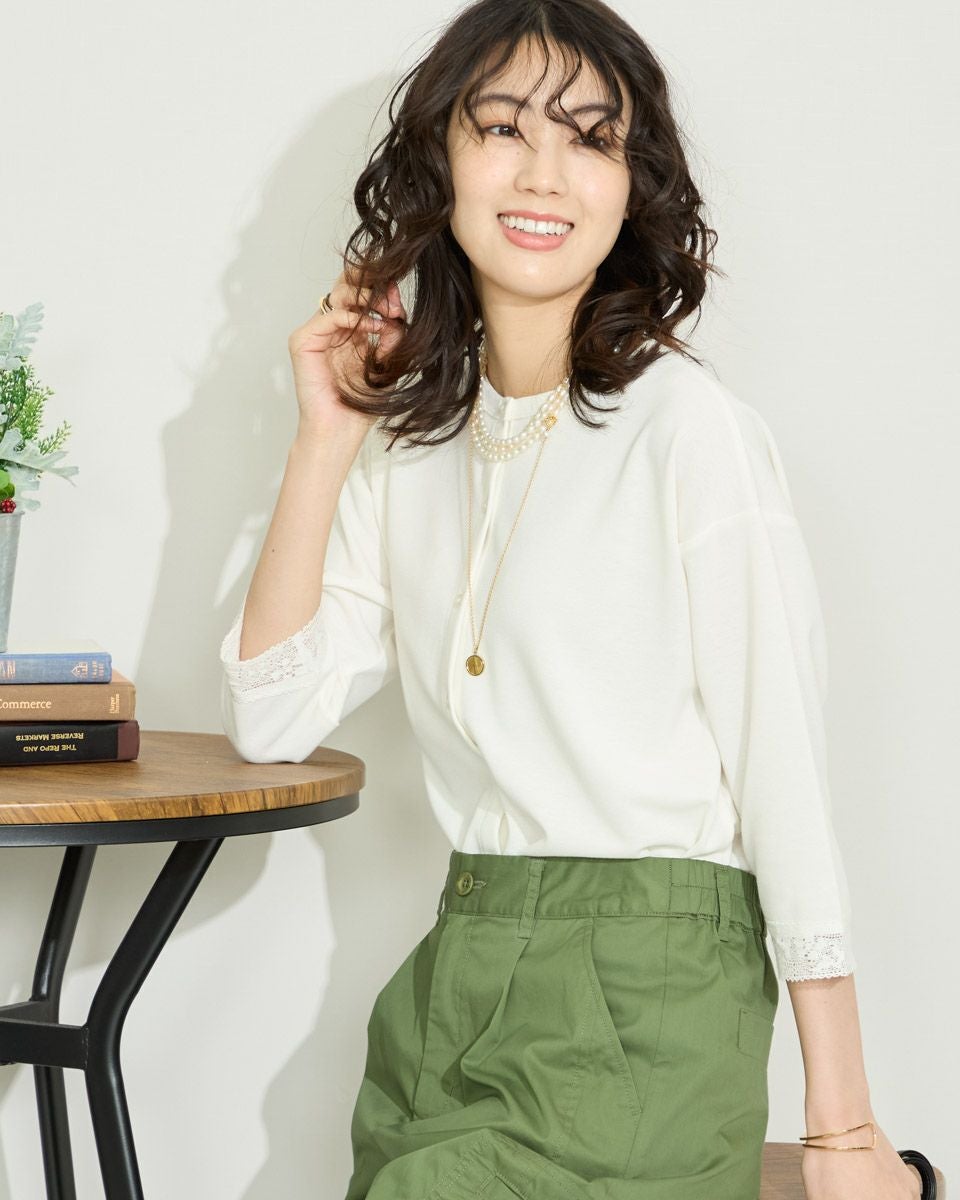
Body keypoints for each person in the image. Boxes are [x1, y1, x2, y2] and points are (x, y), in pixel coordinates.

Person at [219, 2, 923, 1197]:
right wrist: (326, 437)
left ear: (631, 187)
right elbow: (270, 718)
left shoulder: (685, 429)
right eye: (503, 128)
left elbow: (784, 771)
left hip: (651, 991)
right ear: (439, 161)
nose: (546, 173)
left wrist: (844, 1127)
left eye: (592, 139)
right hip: (455, 982)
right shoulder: (413, 450)